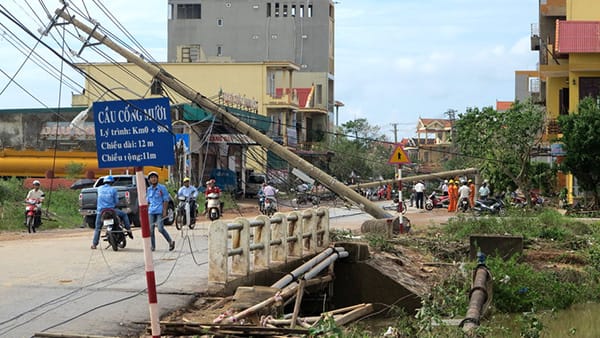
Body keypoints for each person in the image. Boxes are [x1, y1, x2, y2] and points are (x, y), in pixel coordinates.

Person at [91, 175, 133, 250]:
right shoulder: (113, 190)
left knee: (98, 228)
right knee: (124, 214)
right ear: (112, 182)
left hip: (101, 211)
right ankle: (128, 229)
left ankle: (94, 244)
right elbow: (116, 202)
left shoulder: (99, 189)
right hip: (111, 210)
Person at [147, 171, 175, 251]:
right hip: (151, 211)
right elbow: (148, 201)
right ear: (149, 180)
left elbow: (166, 200)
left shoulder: (162, 188)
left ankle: (170, 241)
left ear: (157, 178)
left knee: (160, 228)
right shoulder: (149, 189)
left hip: (159, 210)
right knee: (151, 230)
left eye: (155, 177)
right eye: (151, 177)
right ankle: (153, 246)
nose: (153, 179)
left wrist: (164, 211)